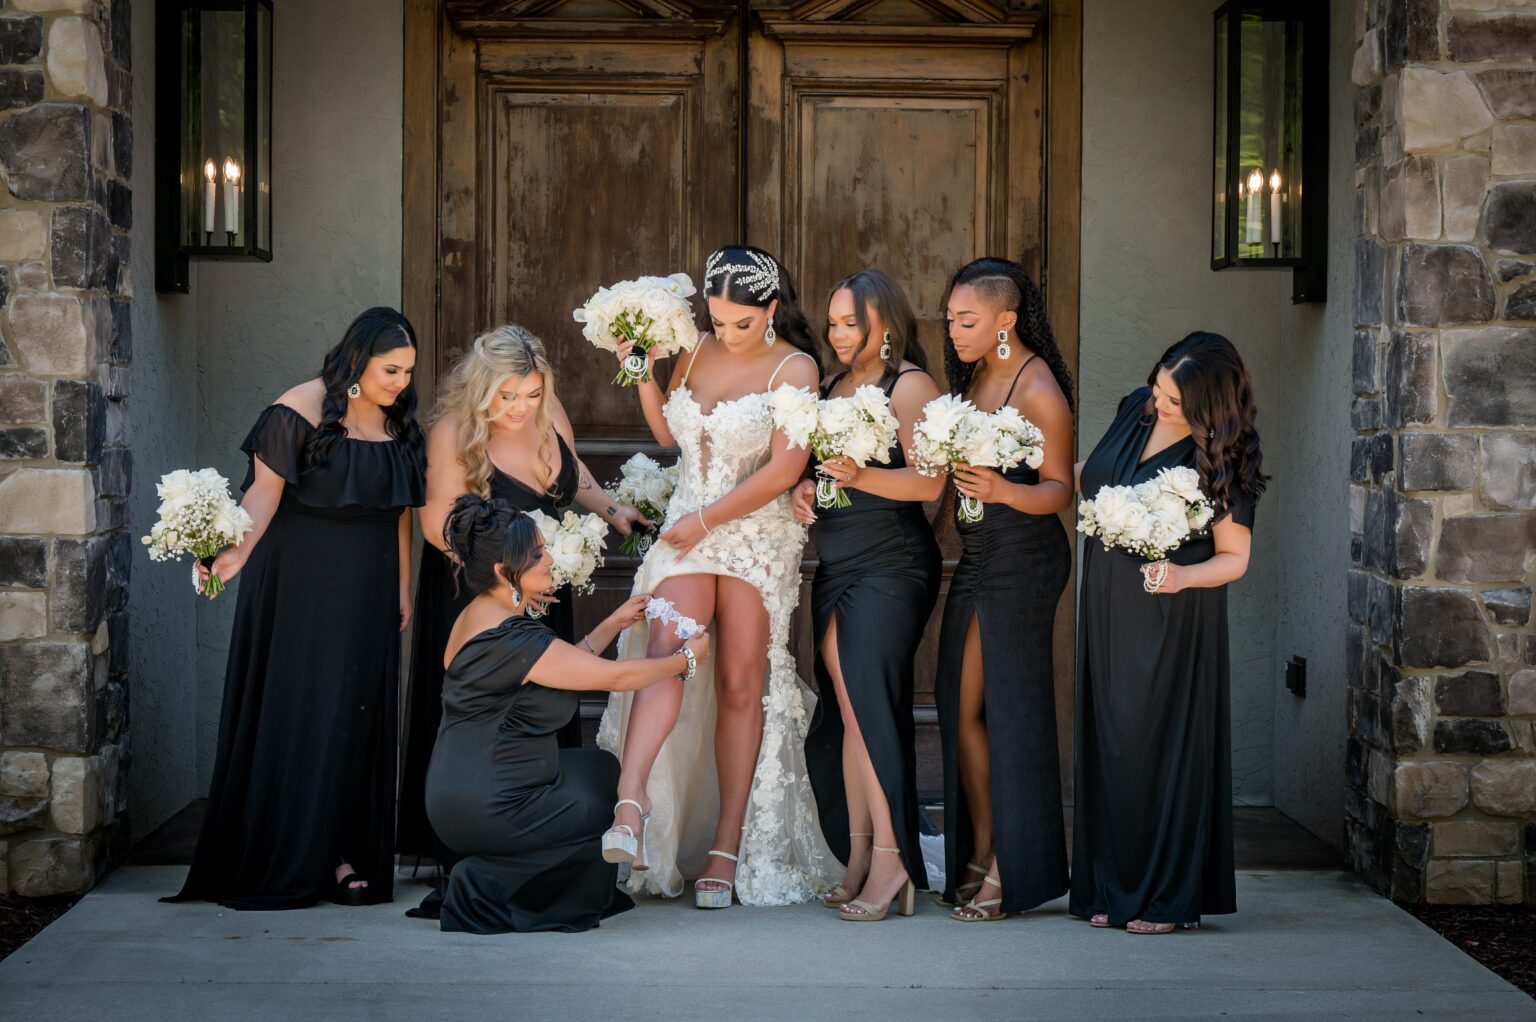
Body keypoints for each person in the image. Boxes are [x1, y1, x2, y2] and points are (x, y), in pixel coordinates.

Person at [596, 245, 835, 908]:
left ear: (772, 308)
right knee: (668, 648)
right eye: (720, 321)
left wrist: (706, 522)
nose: (727, 335)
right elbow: (671, 433)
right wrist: (641, 370)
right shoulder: (696, 349)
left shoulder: (796, 368)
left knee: (739, 683)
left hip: (755, 536)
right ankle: (631, 801)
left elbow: (785, 470)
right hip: (687, 527)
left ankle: (727, 845)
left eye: (742, 324)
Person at [165, 307, 425, 909]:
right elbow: (262, 494)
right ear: (358, 359)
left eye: (409, 372)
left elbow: (401, 517)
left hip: (370, 588)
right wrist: (230, 556)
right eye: (392, 370)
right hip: (299, 583)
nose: (401, 383)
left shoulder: (398, 424)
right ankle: (311, 855)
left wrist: (403, 588)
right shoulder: (298, 409)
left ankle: (345, 845)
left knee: (354, 717)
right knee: (306, 711)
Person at [398, 326, 646, 863]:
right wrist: (511, 579)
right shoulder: (451, 433)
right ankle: (471, 840)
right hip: (485, 599)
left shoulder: (549, 416)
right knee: (498, 712)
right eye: (508, 396)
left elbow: (570, 475)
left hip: (542, 582)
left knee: (545, 701)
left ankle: (544, 830)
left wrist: (609, 509)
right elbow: (438, 526)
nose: (521, 406)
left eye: (532, 394)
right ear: (483, 387)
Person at [423, 495, 708, 933]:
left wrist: (610, 624)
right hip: (490, 804)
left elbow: (555, 667)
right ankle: (482, 882)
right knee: (599, 809)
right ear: (505, 572)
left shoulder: (480, 615)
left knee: (598, 769)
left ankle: (496, 864)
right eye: (536, 555)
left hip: (456, 792)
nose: (549, 559)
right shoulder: (511, 637)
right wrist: (684, 661)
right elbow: (613, 678)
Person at [1070, 331, 1265, 934]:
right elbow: (1094, 473)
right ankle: (1111, 884)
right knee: (1110, 741)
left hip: (1171, 612)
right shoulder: (1136, 407)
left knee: (1156, 746)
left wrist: (1180, 578)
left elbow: (1234, 558)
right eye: (1159, 389)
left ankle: (1165, 898)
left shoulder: (1225, 456)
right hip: (1106, 602)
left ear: (1210, 406)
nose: (1161, 405)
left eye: (1175, 399)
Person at [793, 269, 943, 922]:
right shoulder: (830, 387)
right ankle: (859, 854)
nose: (838, 333)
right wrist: (806, 490)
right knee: (849, 714)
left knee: (871, 712)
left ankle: (894, 861)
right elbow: (820, 474)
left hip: (891, 564)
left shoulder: (908, 385)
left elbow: (932, 484)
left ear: (883, 319)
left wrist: (863, 478)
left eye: (850, 322)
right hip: (836, 561)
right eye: (833, 323)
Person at [933, 258, 1075, 922]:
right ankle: (984, 841)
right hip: (979, 554)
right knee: (957, 708)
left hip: (1025, 559)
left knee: (1009, 714)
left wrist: (1001, 490)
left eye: (967, 320)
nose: (954, 331)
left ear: (1005, 321)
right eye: (951, 318)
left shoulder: (1035, 384)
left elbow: (1059, 490)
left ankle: (1004, 866)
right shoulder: (974, 374)